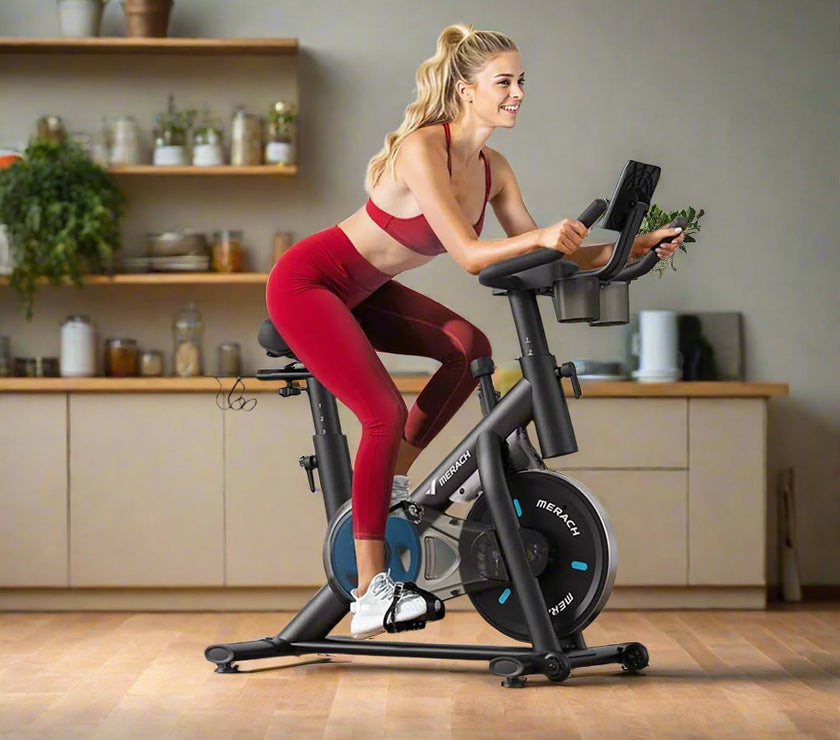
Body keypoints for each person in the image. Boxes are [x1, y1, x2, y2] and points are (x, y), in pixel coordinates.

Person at [266, 24, 683, 639]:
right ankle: (370, 592)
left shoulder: (495, 168)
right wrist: (541, 236)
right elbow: (468, 253)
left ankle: (387, 484)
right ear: (465, 90)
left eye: (521, 82)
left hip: (365, 290)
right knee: (383, 411)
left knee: (470, 348)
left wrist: (635, 246)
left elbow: (551, 255)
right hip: (308, 284)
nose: (518, 93)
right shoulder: (422, 149)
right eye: (504, 82)